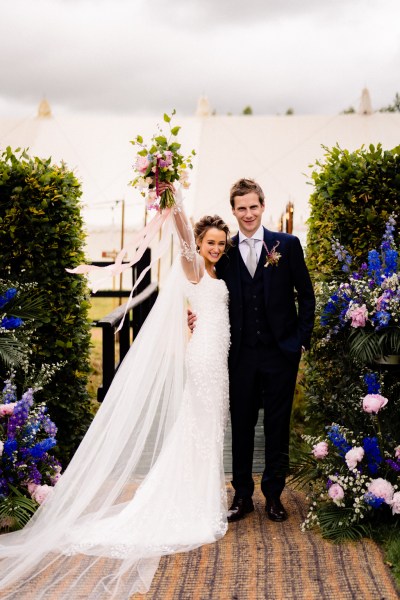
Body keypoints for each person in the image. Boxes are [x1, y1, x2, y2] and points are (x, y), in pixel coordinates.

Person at [0, 191, 232, 599]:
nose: (215, 247)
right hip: (202, 361)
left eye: (220, 243)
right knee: (199, 423)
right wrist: (172, 192)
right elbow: (180, 234)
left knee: (208, 426)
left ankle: (204, 493)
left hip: (218, 358)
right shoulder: (192, 264)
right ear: (199, 243)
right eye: (210, 241)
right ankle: (190, 500)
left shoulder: (215, 273)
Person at [189, 178, 315, 522]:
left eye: (253, 207)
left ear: (262, 206)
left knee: (277, 425)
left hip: (280, 353)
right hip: (240, 354)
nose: (247, 213)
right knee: (241, 424)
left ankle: (274, 495)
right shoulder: (223, 250)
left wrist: (300, 340)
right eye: (241, 208)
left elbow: (306, 294)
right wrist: (192, 315)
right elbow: (203, 286)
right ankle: (241, 495)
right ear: (233, 210)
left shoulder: (286, 245)